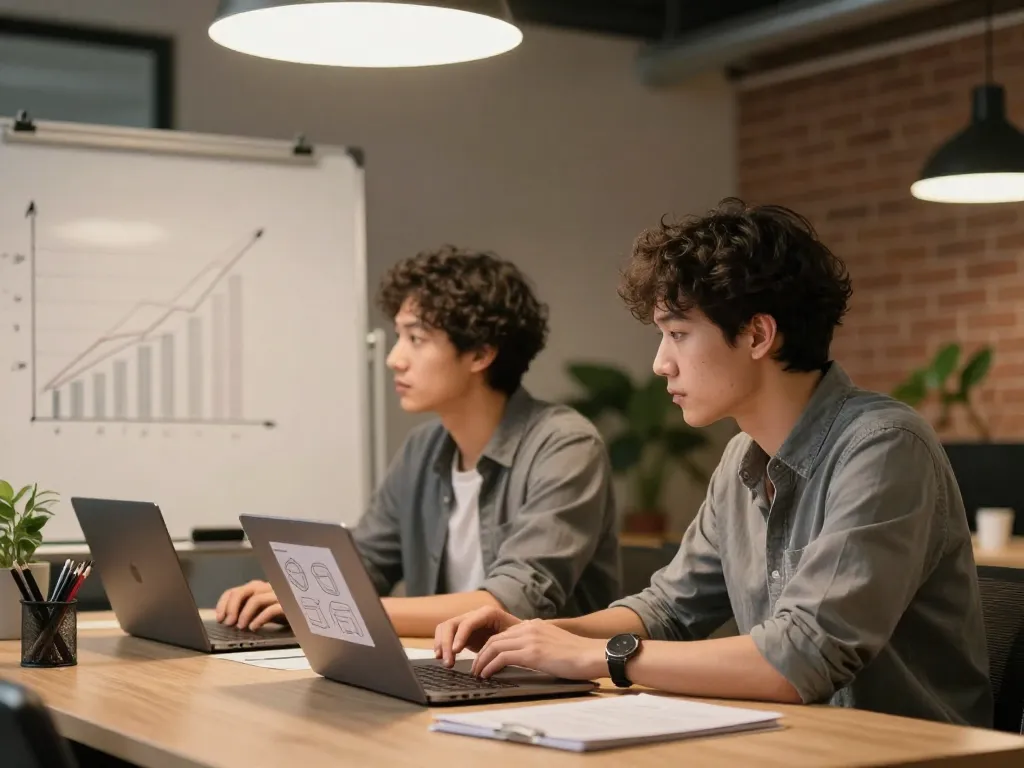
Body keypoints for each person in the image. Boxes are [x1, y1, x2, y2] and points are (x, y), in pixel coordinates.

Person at [433, 199, 993, 727]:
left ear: (757, 334)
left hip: (912, 755)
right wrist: (536, 634)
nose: (660, 364)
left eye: (678, 334)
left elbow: (803, 655)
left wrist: (595, 656)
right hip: (794, 746)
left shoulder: (883, 446)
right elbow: (668, 611)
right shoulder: (741, 459)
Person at [216, 246, 621, 637]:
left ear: (480, 354)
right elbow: (367, 564)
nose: (395, 358)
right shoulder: (422, 448)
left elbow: (511, 603)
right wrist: (293, 593)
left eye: (417, 339)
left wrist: (327, 606)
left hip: (550, 688)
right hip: (449, 670)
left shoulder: (565, 445)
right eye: (399, 336)